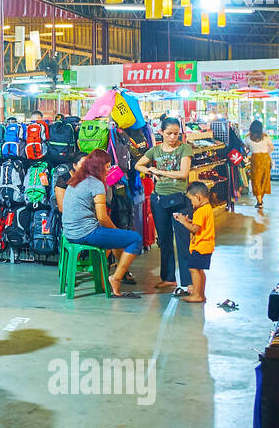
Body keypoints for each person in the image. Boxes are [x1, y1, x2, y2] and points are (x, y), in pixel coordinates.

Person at [56, 148, 144, 298]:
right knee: (135, 239)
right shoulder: (95, 183)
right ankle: (116, 278)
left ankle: (110, 277)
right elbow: (102, 217)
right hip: (85, 233)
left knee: (116, 238)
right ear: (99, 166)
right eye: (108, 166)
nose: (109, 169)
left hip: (70, 232)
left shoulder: (76, 179)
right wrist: (116, 231)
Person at [135, 116, 194, 296]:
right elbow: (138, 165)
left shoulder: (185, 148)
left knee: (183, 240)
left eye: (176, 133)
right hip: (158, 199)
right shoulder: (155, 150)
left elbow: (184, 173)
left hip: (179, 199)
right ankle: (168, 277)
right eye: (169, 133)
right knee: (165, 240)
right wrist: (149, 170)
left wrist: (159, 171)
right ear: (161, 132)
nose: (173, 137)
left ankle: (188, 281)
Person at [174, 181, 216, 304]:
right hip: (207, 246)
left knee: (193, 269)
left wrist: (183, 222)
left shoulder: (199, 211)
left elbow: (195, 229)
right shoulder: (207, 208)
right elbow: (200, 225)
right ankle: (201, 294)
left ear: (198, 197)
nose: (191, 203)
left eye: (191, 200)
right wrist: (190, 221)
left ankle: (197, 295)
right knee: (199, 270)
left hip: (200, 246)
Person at [245, 119, 274, 212]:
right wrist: (266, 153)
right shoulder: (266, 137)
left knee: (256, 180)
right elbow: (272, 148)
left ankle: (259, 201)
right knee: (265, 180)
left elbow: (246, 150)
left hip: (255, 159)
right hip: (265, 159)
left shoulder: (248, 138)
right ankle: (261, 199)